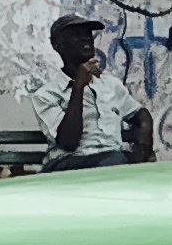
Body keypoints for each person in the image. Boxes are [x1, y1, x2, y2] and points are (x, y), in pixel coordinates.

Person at [42, 14, 132, 171]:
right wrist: (79, 86)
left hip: (108, 161)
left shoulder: (111, 85)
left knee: (128, 162)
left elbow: (139, 113)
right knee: (117, 161)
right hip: (66, 165)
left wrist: (145, 135)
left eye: (88, 34)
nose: (86, 39)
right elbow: (69, 142)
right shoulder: (46, 95)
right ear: (58, 46)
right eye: (76, 36)